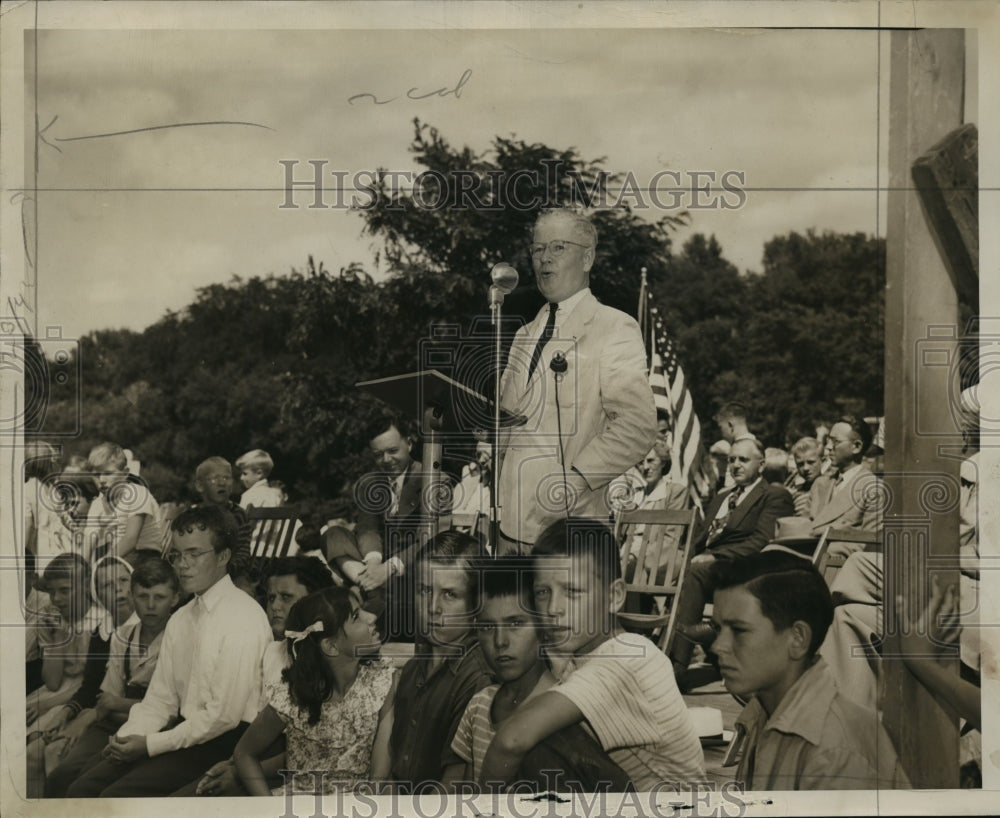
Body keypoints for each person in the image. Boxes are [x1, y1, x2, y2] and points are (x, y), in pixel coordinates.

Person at [479, 519, 704, 791]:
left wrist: (482, 804)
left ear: (614, 596)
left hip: (676, 806)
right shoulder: (583, 656)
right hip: (635, 800)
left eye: (572, 591)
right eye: (542, 592)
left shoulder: (628, 658)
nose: (553, 608)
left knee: (537, 741)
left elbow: (511, 741)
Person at [65, 505, 272, 797]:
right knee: (81, 785)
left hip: (226, 743)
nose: (182, 565)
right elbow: (161, 699)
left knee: (114, 798)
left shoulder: (243, 616)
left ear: (223, 556)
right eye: (177, 554)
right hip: (184, 733)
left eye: (194, 554)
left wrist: (150, 745)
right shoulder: (181, 618)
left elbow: (223, 717)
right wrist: (129, 736)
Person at [496, 209, 657, 551]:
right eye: (538, 249)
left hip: (570, 530)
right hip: (508, 528)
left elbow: (637, 425)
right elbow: (509, 424)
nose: (544, 259)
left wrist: (578, 478)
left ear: (587, 258)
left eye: (558, 247)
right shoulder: (523, 335)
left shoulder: (614, 327)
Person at [708, 551, 909, 790]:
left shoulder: (834, 750)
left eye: (739, 631)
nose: (717, 646)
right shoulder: (763, 709)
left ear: (798, 638)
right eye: (717, 629)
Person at [446, 556, 629, 791]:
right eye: (487, 627)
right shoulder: (479, 705)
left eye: (515, 624)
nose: (500, 641)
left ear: (544, 628)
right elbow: (466, 794)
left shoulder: (562, 712)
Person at [233, 587, 396, 795]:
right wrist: (268, 807)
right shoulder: (292, 695)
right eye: (356, 616)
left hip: (358, 805)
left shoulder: (381, 682)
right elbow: (244, 753)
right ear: (331, 646)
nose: (371, 617)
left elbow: (379, 776)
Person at [45, 557, 179, 797]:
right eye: (142, 596)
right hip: (113, 721)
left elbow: (171, 710)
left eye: (159, 597)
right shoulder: (121, 636)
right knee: (60, 776)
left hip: (153, 728)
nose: (150, 605)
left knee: (84, 784)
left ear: (174, 599)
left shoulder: (179, 638)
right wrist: (107, 709)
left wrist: (119, 705)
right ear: (133, 596)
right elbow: (106, 699)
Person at [667, 437, 794, 686]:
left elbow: (761, 540)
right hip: (708, 566)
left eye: (743, 460)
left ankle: (676, 666)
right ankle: (644, 647)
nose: (735, 465)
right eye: (731, 459)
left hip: (743, 569)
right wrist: (682, 557)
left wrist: (715, 556)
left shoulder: (774, 495)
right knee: (649, 570)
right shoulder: (722, 497)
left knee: (693, 572)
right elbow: (701, 538)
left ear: (761, 464)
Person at [390, 530, 493, 790]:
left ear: (477, 603)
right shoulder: (413, 669)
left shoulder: (478, 678)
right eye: (424, 590)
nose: (433, 607)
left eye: (450, 594)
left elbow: (452, 787)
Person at [324, 413, 430, 641]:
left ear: (409, 443)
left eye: (392, 451)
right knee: (333, 534)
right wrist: (373, 565)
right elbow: (367, 529)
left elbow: (428, 538)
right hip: (375, 567)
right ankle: (373, 591)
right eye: (378, 454)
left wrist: (388, 569)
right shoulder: (372, 483)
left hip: (409, 568)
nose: (386, 460)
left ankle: (370, 591)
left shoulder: (430, 479)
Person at [26, 553, 101, 733]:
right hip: (54, 691)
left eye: (65, 590)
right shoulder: (49, 620)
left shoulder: (101, 622)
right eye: (51, 591)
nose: (56, 598)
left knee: (36, 738)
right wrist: (59, 635)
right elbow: (52, 682)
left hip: (83, 698)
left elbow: (92, 686)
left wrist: (46, 705)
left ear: (85, 585)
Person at [807, 415, 881, 551]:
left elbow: (870, 543)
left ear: (856, 447)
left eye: (835, 442)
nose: (828, 447)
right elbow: (803, 526)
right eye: (828, 440)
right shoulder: (820, 484)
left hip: (834, 559)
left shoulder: (873, 489)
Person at [86, 442, 163, 566]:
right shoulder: (97, 504)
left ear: (125, 473)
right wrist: (81, 566)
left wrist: (102, 564)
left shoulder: (137, 494)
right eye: (96, 475)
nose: (101, 480)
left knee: (106, 568)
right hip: (117, 555)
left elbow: (130, 539)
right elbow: (88, 541)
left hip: (144, 555)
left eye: (108, 473)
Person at [190, 456, 255, 593]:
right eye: (214, 478)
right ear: (200, 485)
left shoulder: (239, 515)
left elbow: (242, 554)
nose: (222, 483)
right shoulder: (192, 516)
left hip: (231, 574)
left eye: (227, 478)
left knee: (244, 591)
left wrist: (220, 571)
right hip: (196, 571)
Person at [786, 437, 825, 517]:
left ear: (823, 461)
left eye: (811, 462)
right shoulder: (795, 492)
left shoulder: (830, 488)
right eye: (800, 464)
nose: (805, 468)